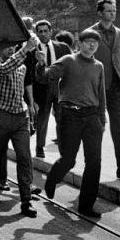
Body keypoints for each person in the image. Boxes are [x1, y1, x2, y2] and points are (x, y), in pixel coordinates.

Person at [39, 30, 107, 218]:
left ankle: (86, 206)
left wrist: (102, 119)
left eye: (95, 43)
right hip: (70, 116)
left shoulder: (99, 66)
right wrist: (41, 63)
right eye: (88, 42)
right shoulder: (69, 60)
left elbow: (101, 94)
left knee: (94, 162)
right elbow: (45, 77)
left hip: (92, 117)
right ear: (80, 43)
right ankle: (53, 178)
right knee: (69, 159)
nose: (91, 46)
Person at [0, 36, 40, 217]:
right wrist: (25, 49)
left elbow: (24, 90)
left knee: (25, 157)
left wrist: (29, 112)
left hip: (20, 118)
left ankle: (26, 200)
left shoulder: (22, 67)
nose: (11, 49)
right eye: (6, 46)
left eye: (13, 46)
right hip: (0, 117)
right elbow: (6, 68)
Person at [86, 0, 120, 179]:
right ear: (100, 12)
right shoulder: (89, 33)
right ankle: (92, 169)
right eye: (109, 10)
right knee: (96, 128)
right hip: (96, 87)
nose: (113, 13)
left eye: (114, 10)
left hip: (116, 86)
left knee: (118, 125)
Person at [27, 20, 72, 157]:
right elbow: (29, 75)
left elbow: (71, 67)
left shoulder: (62, 48)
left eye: (46, 31)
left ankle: (64, 151)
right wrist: (31, 99)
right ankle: (39, 148)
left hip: (60, 88)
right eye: (40, 31)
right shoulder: (32, 52)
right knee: (42, 121)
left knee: (62, 120)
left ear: (51, 32)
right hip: (41, 89)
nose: (43, 34)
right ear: (36, 33)